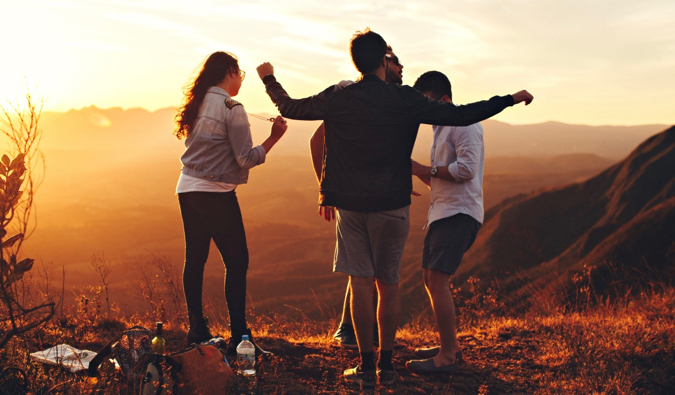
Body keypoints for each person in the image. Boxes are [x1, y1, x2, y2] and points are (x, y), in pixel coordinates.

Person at [257, 29, 533, 388]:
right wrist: (509, 98)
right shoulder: (404, 99)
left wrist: (269, 79)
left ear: (357, 61)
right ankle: (387, 365)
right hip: (393, 203)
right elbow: (463, 115)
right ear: (384, 62)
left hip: (352, 205)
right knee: (389, 285)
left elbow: (291, 107)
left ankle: (366, 367)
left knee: (360, 285)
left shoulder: (338, 97)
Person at [174, 51, 287, 356]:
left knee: (195, 259)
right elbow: (246, 158)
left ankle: (197, 330)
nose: (241, 81)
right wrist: (274, 137)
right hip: (216, 192)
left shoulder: (198, 102)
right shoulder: (232, 108)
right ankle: (240, 338)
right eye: (240, 75)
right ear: (230, 72)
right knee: (237, 262)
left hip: (187, 188)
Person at [309, 45, 405, 350]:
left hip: (374, 194)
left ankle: (360, 336)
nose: (402, 70)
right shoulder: (351, 94)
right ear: (383, 63)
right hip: (354, 196)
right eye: (397, 64)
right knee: (364, 271)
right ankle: (350, 331)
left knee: (367, 270)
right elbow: (317, 139)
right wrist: (326, 188)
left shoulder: (385, 101)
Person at [405, 71, 486, 374]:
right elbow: (442, 176)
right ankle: (448, 345)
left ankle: (447, 357)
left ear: (441, 98)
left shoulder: (462, 123)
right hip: (444, 212)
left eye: (424, 101)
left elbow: (465, 170)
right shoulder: (441, 127)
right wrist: (416, 171)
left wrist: (426, 168)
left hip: (459, 213)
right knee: (430, 278)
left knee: (437, 280)